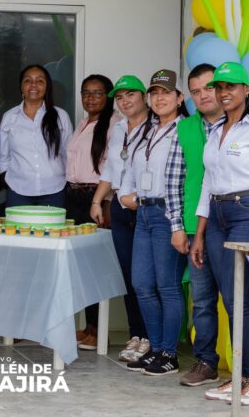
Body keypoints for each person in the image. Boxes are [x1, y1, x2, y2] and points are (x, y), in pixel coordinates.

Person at [190, 62, 249, 405]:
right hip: (215, 217)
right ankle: (241, 376)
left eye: (232, 87)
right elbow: (206, 185)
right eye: (219, 87)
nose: (223, 93)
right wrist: (199, 233)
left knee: (239, 300)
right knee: (229, 301)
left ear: (247, 91)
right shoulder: (215, 132)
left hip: (248, 214)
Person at [119, 69, 189, 376]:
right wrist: (128, 195)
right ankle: (156, 349)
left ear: (179, 98)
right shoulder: (145, 131)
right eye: (155, 93)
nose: (160, 98)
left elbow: (192, 178)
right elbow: (129, 171)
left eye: (166, 93)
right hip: (143, 213)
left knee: (168, 287)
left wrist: (179, 223)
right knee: (142, 285)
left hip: (167, 214)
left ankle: (169, 354)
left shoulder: (186, 130)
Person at [169, 63, 225, 387]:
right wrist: (177, 226)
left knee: (236, 299)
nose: (203, 95)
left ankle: (248, 365)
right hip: (196, 227)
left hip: (236, 224)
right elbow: (175, 181)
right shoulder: (185, 128)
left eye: (208, 87)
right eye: (195, 91)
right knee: (202, 298)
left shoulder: (244, 124)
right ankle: (206, 361)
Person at [89, 75, 149, 363]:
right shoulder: (118, 128)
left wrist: (139, 198)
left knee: (145, 277)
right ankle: (135, 334)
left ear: (144, 96)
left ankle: (151, 336)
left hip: (144, 209)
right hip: (119, 208)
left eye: (130, 96)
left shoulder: (156, 127)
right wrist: (97, 200)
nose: (125, 102)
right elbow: (111, 171)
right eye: (120, 98)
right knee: (127, 275)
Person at [64, 74, 119, 351]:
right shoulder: (85, 122)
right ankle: (89, 328)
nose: (91, 98)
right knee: (81, 267)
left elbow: (113, 167)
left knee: (95, 267)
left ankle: (100, 331)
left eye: (98, 93)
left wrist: (105, 200)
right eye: (86, 93)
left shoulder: (114, 124)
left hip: (95, 198)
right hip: (74, 196)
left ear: (109, 96)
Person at [0, 64, 73, 208]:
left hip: (54, 190)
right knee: (19, 231)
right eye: (28, 80)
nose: (33, 85)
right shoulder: (9, 117)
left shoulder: (60, 116)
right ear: (21, 86)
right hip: (18, 190)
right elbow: (3, 157)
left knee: (53, 231)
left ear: (47, 86)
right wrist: (9, 181)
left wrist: (66, 180)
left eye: (39, 81)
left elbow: (67, 154)